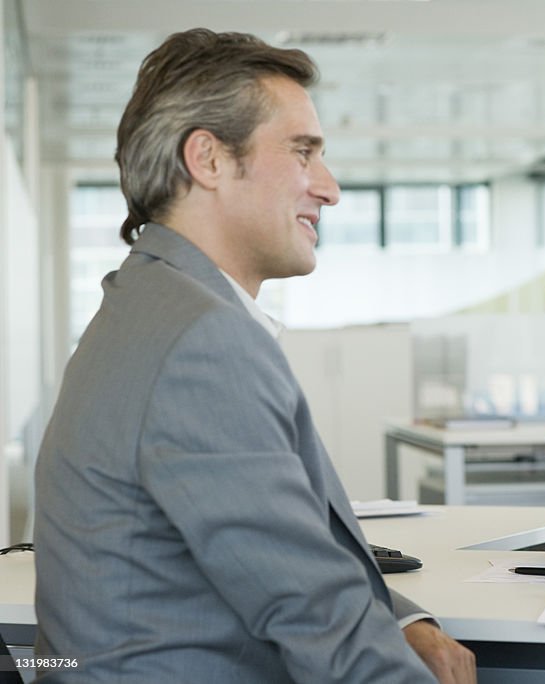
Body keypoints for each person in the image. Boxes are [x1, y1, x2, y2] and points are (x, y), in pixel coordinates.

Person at [33, 29, 474, 683]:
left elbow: (279, 551)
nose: (329, 188)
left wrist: (401, 618)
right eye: (303, 153)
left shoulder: (152, 303)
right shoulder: (199, 343)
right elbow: (313, 613)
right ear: (208, 159)